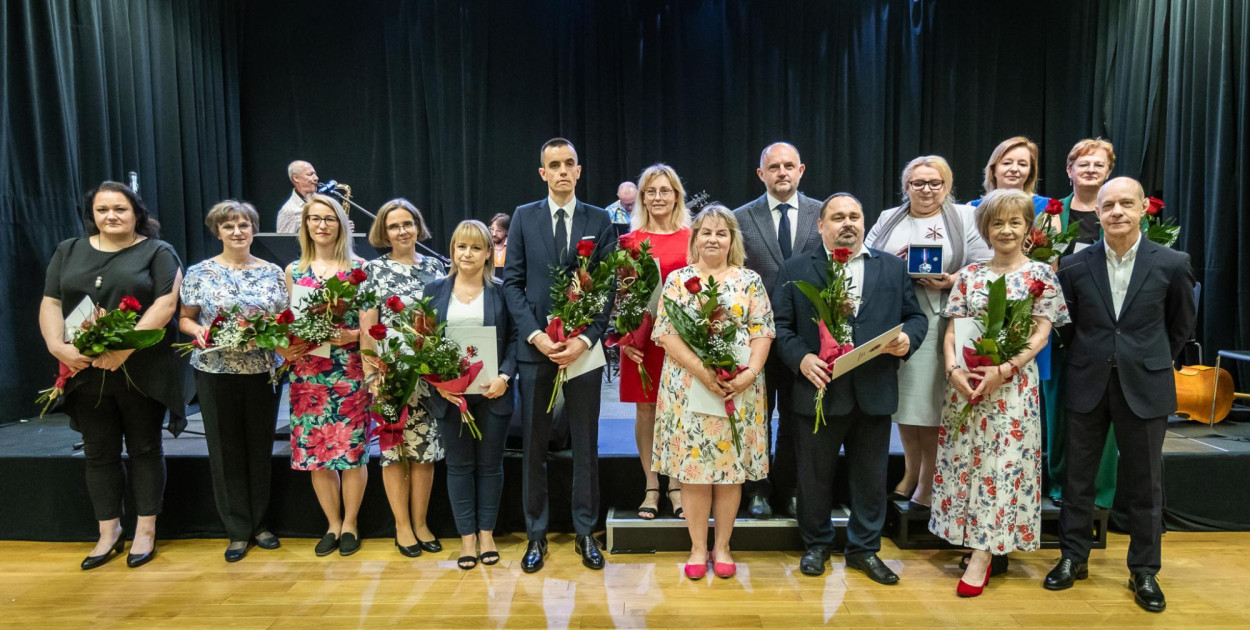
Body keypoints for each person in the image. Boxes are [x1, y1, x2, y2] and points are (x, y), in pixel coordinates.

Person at [1046, 177, 1195, 613]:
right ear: (1097, 212)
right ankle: (1073, 557)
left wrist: (1149, 359)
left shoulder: (1172, 262)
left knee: (1146, 483)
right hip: (1086, 381)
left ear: (1144, 207)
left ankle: (1144, 570)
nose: (1116, 212)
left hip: (1145, 384)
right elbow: (1066, 327)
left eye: (1126, 204)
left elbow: (1181, 324)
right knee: (1077, 478)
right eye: (1108, 205)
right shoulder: (1074, 266)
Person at [772, 193, 927, 584]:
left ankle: (864, 550)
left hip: (873, 392)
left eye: (855, 216)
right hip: (819, 391)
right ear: (821, 225)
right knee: (814, 476)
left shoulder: (891, 268)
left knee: (871, 478)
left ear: (864, 221)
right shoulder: (795, 268)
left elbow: (915, 317)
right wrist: (802, 359)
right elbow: (781, 327)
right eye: (837, 217)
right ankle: (817, 546)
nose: (848, 223)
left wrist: (909, 338)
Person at [929, 189, 1070, 597]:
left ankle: (983, 556)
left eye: (1014, 222)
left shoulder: (1041, 276)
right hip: (965, 386)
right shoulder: (970, 274)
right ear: (985, 228)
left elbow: (1042, 333)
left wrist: (1005, 368)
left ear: (1028, 228)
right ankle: (976, 539)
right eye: (997, 223)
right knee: (967, 465)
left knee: (1000, 469)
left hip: (1011, 389)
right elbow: (953, 330)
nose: (1005, 230)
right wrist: (953, 369)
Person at [40, 181, 184, 569]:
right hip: (83, 370)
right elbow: (52, 302)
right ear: (93, 215)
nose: (111, 216)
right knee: (99, 452)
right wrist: (58, 347)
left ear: (136, 212)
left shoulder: (158, 251)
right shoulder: (68, 250)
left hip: (140, 369)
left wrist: (123, 350)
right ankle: (109, 532)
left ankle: (145, 530)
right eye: (102, 210)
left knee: (144, 448)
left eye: (119, 209)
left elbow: (166, 302)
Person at [501, 138, 617, 573]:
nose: (563, 171)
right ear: (543, 173)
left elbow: (606, 288)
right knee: (534, 445)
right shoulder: (523, 217)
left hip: (582, 351)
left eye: (570, 163)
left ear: (579, 170)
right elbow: (511, 282)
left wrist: (585, 339)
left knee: (586, 444)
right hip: (537, 350)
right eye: (555, 164)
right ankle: (536, 535)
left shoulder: (600, 219)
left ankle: (585, 531)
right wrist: (534, 335)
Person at [652, 205, 773, 580]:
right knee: (694, 472)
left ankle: (722, 546)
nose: (713, 239)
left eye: (721, 233)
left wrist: (749, 374)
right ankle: (696, 547)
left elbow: (763, 330)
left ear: (732, 240)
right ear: (695, 238)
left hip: (738, 391)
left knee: (729, 472)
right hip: (688, 390)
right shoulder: (677, 281)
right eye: (706, 232)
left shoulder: (749, 281)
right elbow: (665, 334)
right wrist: (704, 372)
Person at [865, 157, 991, 509]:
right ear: (906, 187)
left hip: (945, 320)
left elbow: (985, 264)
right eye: (917, 183)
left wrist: (953, 280)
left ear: (948, 185)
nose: (926, 190)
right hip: (898, 320)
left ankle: (929, 479)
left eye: (935, 183)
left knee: (934, 403)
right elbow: (868, 257)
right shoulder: (888, 218)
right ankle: (910, 470)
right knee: (907, 404)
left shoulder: (965, 217)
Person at [178, 200, 289, 562]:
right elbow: (185, 318)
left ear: (254, 229)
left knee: (259, 448)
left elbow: (284, 320)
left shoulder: (274, 272)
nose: (238, 231)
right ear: (218, 231)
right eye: (229, 226)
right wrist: (199, 331)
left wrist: (273, 335)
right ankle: (237, 530)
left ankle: (260, 524)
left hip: (262, 371)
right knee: (225, 452)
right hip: (215, 372)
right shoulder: (200, 272)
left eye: (244, 224)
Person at [732, 142, 824, 519]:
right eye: (774, 167)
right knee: (755, 418)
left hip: (805, 340)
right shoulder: (740, 218)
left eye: (789, 166)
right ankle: (757, 490)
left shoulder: (823, 214)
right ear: (761, 174)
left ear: (801, 170)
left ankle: (790, 487)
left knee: (795, 417)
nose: (782, 172)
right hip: (754, 340)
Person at [423, 220, 517, 570]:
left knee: (490, 467)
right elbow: (423, 343)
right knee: (459, 467)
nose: (467, 253)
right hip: (450, 399)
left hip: (493, 393)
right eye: (461, 246)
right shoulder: (433, 291)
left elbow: (515, 339)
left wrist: (505, 375)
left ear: (488, 253)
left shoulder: (503, 291)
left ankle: (487, 533)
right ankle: (466, 538)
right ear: (452, 251)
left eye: (476, 247)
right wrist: (438, 383)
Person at [283, 194, 370, 557]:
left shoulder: (360, 267)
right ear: (305, 226)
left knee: (352, 451)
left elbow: (373, 324)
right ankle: (332, 524)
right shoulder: (293, 271)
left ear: (340, 224)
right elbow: (288, 322)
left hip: (348, 370)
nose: (321, 225)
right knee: (317, 451)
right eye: (314, 219)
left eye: (328, 219)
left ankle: (350, 523)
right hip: (308, 372)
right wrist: (286, 346)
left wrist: (353, 335)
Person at [358, 199, 446, 558]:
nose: (402, 231)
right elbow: (367, 328)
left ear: (417, 226)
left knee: (425, 452)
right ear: (384, 232)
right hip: (390, 375)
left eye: (408, 223)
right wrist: (372, 375)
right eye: (394, 226)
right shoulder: (372, 271)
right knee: (394, 453)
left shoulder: (437, 267)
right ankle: (402, 526)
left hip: (427, 376)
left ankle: (422, 522)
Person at [1043, 139, 1119, 509]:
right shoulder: (1050, 212)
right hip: (1058, 323)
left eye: (1098, 165)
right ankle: (1060, 484)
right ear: (1070, 170)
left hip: (1107, 326)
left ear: (1109, 172)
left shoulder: (1121, 212)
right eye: (1083, 164)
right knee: (1058, 408)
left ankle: (1100, 493)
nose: (1090, 169)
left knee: (1106, 409)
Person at [620, 164, 694, 521]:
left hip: (682, 342)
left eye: (665, 190)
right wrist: (624, 337)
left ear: (676, 195)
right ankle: (652, 485)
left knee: (678, 411)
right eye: (651, 191)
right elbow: (619, 296)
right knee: (646, 409)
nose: (658, 197)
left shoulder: (692, 237)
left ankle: (677, 485)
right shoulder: (629, 243)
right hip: (641, 345)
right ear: (642, 198)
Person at [275, 160, 319, 233]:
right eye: (310, 174)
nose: (316, 178)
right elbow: (283, 243)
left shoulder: (321, 201)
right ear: (296, 178)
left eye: (315, 174)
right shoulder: (288, 211)